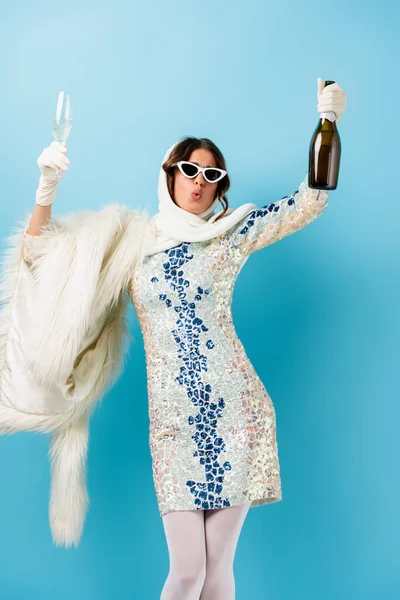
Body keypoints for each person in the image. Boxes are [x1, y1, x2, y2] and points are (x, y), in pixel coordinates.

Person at [0, 78, 346, 599]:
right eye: (189, 169)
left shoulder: (230, 233)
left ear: (219, 185)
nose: (199, 181)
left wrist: (329, 126)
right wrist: (45, 191)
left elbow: (307, 202)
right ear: (169, 173)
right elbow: (39, 258)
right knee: (187, 573)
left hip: (238, 411)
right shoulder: (131, 241)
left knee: (218, 571)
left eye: (212, 174)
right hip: (173, 422)